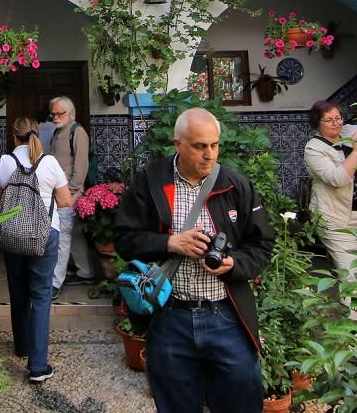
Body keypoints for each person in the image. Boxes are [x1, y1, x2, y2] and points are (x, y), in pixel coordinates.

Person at [115, 108, 275, 413]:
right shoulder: (150, 181)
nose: (209, 154)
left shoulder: (235, 183)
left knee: (241, 402)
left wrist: (233, 265)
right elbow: (124, 238)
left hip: (226, 317)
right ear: (178, 144)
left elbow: (262, 244)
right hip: (170, 317)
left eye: (214, 145)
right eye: (200, 146)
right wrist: (169, 243)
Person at [0, 116, 71, 384]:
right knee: (41, 296)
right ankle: (37, 366)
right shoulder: (50, 163)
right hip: (45, 236)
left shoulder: (5, 162)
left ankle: (22, 347)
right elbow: (66, 201)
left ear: (14, 137)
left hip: (12, 237)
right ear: (37, 136)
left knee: (18, 291)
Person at [302, 101, 357, 320]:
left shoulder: (350, 131)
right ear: (317, 123)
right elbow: (338, 178)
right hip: (335, 219)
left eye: (338, 118)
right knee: (352, 275)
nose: (336, 123)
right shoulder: (314, 148)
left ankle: (352, 324)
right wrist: (356, 150)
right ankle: (356, 341)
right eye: (329, 120)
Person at [47, 96, 94, 295]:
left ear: (70, 113)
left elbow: (81, 167)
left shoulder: (78, 132)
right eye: (54, 113)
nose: (56, 117)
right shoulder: (58, 132)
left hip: (69, 193)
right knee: (72, 233)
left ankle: (55, 283)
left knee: (63, 234)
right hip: (60, 191)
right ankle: (86, 272)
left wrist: (71, 191)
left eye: (60, 113)